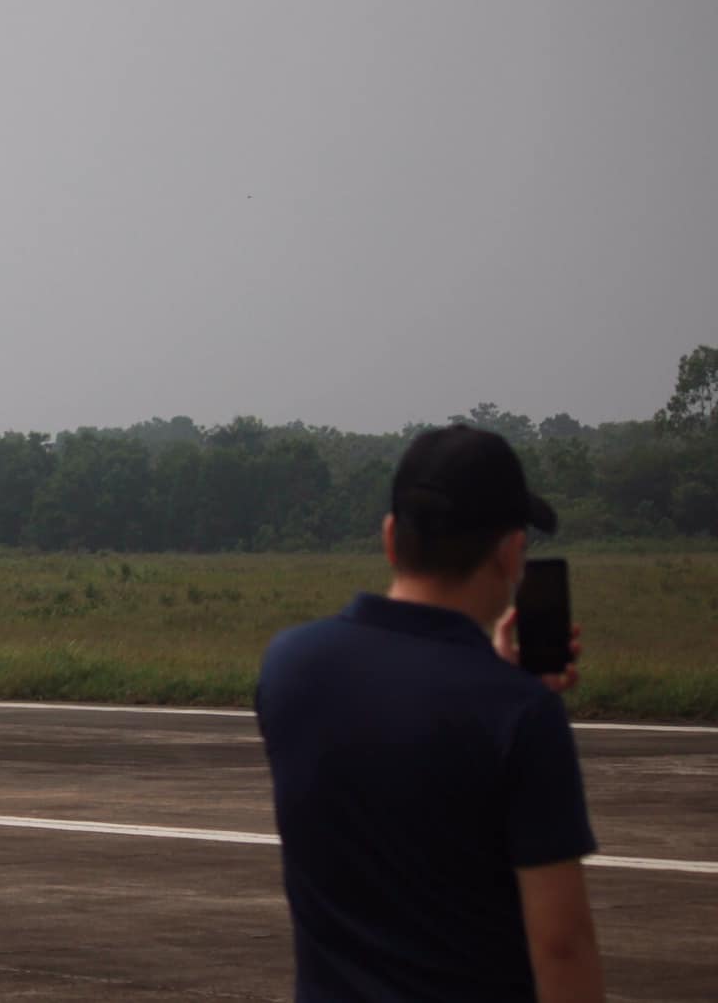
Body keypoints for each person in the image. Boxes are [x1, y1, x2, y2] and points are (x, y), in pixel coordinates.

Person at [256, 425, 603, 1003]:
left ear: (392, 539)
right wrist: (502, 685)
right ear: (512, 553)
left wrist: (485, 673)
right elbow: (561, 944)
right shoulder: (520, 713)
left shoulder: (289, 667)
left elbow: (399, 716)